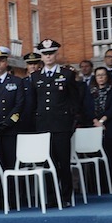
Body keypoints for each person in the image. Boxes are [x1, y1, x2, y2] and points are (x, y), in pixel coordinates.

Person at [27, 39, 79, 207]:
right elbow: (33, 103)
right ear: (41, 56)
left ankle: (65, 196)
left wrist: (72, 123)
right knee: (47, 162)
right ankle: (50, 196)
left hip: (62, 125)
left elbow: (74, 101)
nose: (48, 57)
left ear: (56, 55)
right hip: (43, 126)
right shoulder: (35, 77)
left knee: (63, 162)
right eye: (45, 54)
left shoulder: (67, 74)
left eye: (51, 54)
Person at [0, 47, 24, 183]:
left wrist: (7, 123)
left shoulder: (16, 81)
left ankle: (13, 198)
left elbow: (19, 105)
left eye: (1, 61)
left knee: (11, 163)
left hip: (10, 129)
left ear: (6, 62)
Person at [89, 66, 112, 193]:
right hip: (94, 128)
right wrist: (96, 121)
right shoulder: (90, 92)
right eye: (98, 75)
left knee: (111, 158)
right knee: (96, 159)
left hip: (110, 127)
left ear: (107, 77)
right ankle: (98, 187)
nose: (101, 77)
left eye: (103, 75)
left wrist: (102, 121)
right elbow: (88, 108)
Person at [19, 53, 43, 134]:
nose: (33, 66)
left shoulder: (45, 80)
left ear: (39, 65)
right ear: (26, 66)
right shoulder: (22, 82)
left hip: (41, 117)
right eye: (30, 64)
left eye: (35, 63)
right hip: (26, 118)